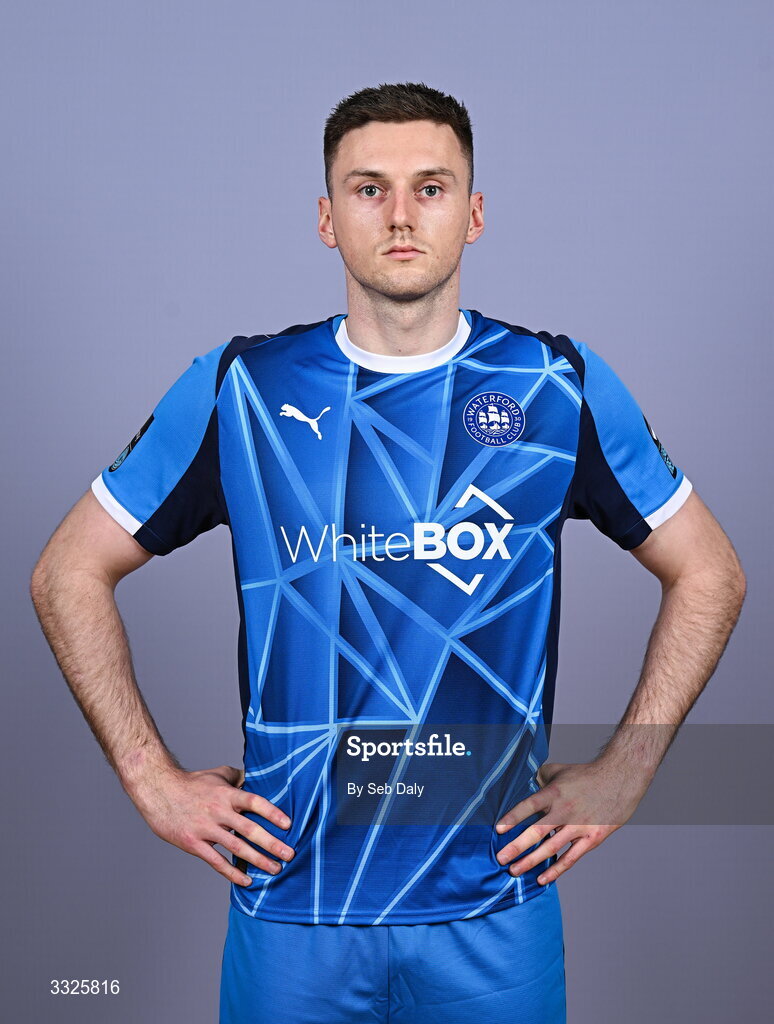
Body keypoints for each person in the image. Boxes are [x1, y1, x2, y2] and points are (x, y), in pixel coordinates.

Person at [30, 81, 746, 1024]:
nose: (401, 215)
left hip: (494, 905)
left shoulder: (553, 385)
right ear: (328, 219)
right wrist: (148, 779)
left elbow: (711, 573)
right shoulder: (241, 388)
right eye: (369, 189)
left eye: (431, 187)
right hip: (294, 907)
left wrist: (631, 767)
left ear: (475, 213)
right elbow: (65, 572)